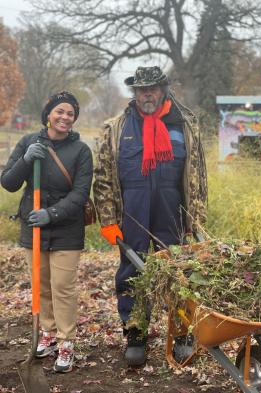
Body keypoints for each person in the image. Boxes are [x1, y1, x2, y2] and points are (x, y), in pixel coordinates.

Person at [93, 66, 207, 366]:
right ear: (135, 92)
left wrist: (196, 218)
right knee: (133, 274)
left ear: (163, 90)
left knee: (180, 273)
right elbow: (103, 176)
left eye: (152, 88)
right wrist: (107, 220)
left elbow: (198, 178)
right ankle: (136, 335)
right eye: (141, 89)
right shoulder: (117, 128)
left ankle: (182, 334)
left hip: (173, 212)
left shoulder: (184, 125)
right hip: (134, 211)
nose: (147, 94)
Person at [1, 91, 93, 373]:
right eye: (60, 112)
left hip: (66, 227)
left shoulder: (81, 151)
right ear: (49, 114)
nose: (65, 117)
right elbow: (8, 182)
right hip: (33, 226)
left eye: (70, 114)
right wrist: (27, 160)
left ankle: (67, 342)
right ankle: (49, 334)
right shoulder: (29, 142)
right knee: (41, 283)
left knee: (62, 287)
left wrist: (51, 214)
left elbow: (80, 195)